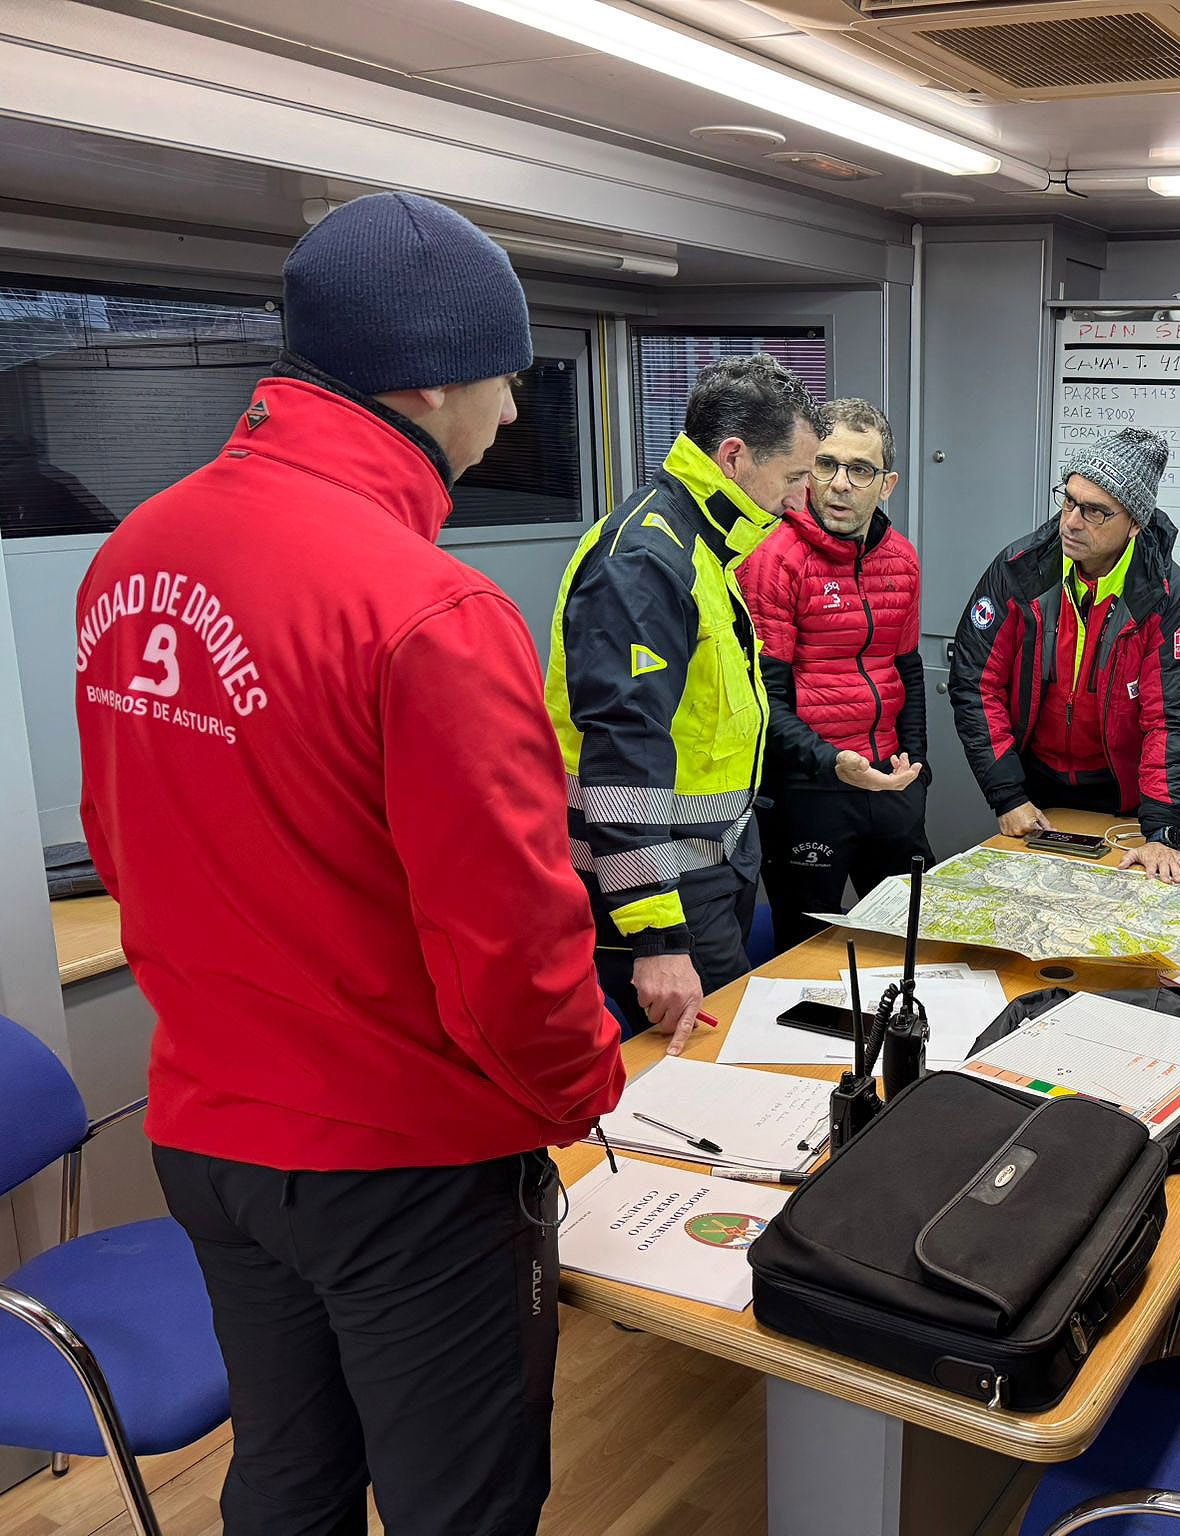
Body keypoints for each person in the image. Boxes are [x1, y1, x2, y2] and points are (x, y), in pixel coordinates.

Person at [73, 191, 624, 1536]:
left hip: (207, 1130)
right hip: (402, 1162)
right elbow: (508, 937)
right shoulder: (427, 609)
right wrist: (583, 1091)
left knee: (287, 1477)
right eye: (506, 373)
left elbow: (124, 842)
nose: (512, 408)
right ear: (432, 377)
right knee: (461, 1506)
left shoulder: (131, 558)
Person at [547, 354, 820, 1052]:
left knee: (721, 1052)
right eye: (792, 477)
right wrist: (658, 938)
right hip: (661, 884)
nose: (798, 500)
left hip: (710, 862)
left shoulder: (704, 546)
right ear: (733, 456)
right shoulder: (644, 560)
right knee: (705, 1066)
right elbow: (622, 760)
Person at [949, 427, 1180, 882]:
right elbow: (975, 682)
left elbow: (1172, 719)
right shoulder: (1019, 570)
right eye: (1068, 500)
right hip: (1034, 784)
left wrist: (1163, 833)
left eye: (1094, 511)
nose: (1071, 521)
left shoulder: (1167, 596)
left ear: (1134, 523)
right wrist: (1006, 794)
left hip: (1119, 793)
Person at [735, 395, 930, 948]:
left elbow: (907, 670)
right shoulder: (774, 557)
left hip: (889, 782)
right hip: (809, 789)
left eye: (860, 469)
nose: (840, 483)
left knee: (911, 936)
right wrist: (830, 763)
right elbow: (764, 696)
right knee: (806, 950)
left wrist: (917, 771)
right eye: (827, 464)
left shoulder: (903, 559)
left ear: (885, 484)